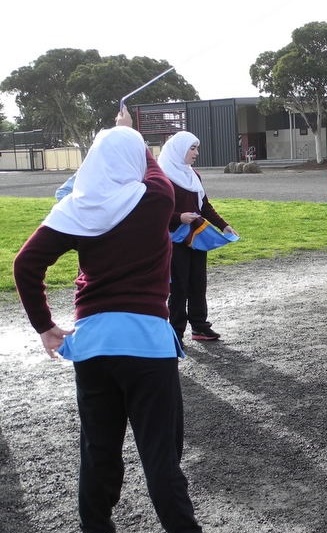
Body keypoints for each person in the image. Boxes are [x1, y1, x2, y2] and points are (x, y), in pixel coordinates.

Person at [12, 107, 203, 533]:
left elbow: (25, 265)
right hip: (148, 346)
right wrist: (129, 133)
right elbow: (153, 169)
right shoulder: (157, 199)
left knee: (99, 451)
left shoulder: (78, 209)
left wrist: (45, 327)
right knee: (160, 458)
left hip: (94, 346)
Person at [159, 131, 238, 345]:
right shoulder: (161, 177)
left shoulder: (194, 175)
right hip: (174, 242)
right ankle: (175, 333)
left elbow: (204, 206)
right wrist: (179, 217)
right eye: (192, 148)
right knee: (179, 287)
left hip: (196, 239)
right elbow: (155, 212)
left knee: (198, 283)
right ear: (178, 150)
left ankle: (200, 326)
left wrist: (224, 226)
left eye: (196, 148)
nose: (196, 153)